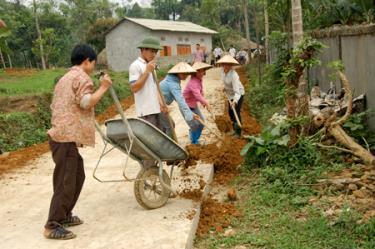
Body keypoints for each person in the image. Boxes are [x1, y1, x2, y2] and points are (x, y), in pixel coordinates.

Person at [44, 44, 112, 240]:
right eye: (93, 62)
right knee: (65, 181)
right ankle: (52, 224)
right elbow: (86, 102)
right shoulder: (82, 77)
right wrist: (104, 87)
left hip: (63, 136)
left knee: (77, 175)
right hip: (64, 137)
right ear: (87, 61)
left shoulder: (64, 78)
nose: (93, 66)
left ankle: (64, 215)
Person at [129, 36, 167, 130]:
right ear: (143, 50)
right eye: (152, 51)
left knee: (168, 127)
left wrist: (162, 104)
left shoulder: (150, 66)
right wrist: (147, 72)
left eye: (156, 52)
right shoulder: (135, 66)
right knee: (152, 137)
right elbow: (134, 88)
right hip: (146, 112)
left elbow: (155, 88)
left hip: (156, 108)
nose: (154, 54)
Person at [159, 62, 200, 140]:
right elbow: (181, 100)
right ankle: (170, 146)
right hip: (158, 106)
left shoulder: (173, 80)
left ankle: (168, 143)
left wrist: (191, 113)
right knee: (170, 125)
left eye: (187, 74)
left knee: (165, 126)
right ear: (178, 73)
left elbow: (179, 100)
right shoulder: (173, 84)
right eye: (184, 74)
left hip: (160, 105)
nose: (186, 76)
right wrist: (189, 115)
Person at [183, 62, 212, 144]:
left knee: (202, 122)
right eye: (198, 71)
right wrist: (206, 103)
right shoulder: (192, 82)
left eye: (202, 71)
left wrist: (203, 103)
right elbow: (197, 95)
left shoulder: (199, 80)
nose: (200, 73)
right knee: (194, 125)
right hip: (186, 106)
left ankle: (195, 138)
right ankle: (194, 141)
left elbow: (200, 93)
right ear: (194, 72)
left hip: (194, 105)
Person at [216, 55, 244, 137]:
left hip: (238, 94)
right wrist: (225, 88)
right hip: (230, 94)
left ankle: (238, 133)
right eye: (224, 64)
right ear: (222, 64)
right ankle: (234, 130)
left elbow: (237, 91)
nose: (226, 66)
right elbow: (226, 82)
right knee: (230, 113)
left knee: (236, 112)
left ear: (231, 65)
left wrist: (235, 101)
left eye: (228, 64)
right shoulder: (222, 71)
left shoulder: (233, 75)